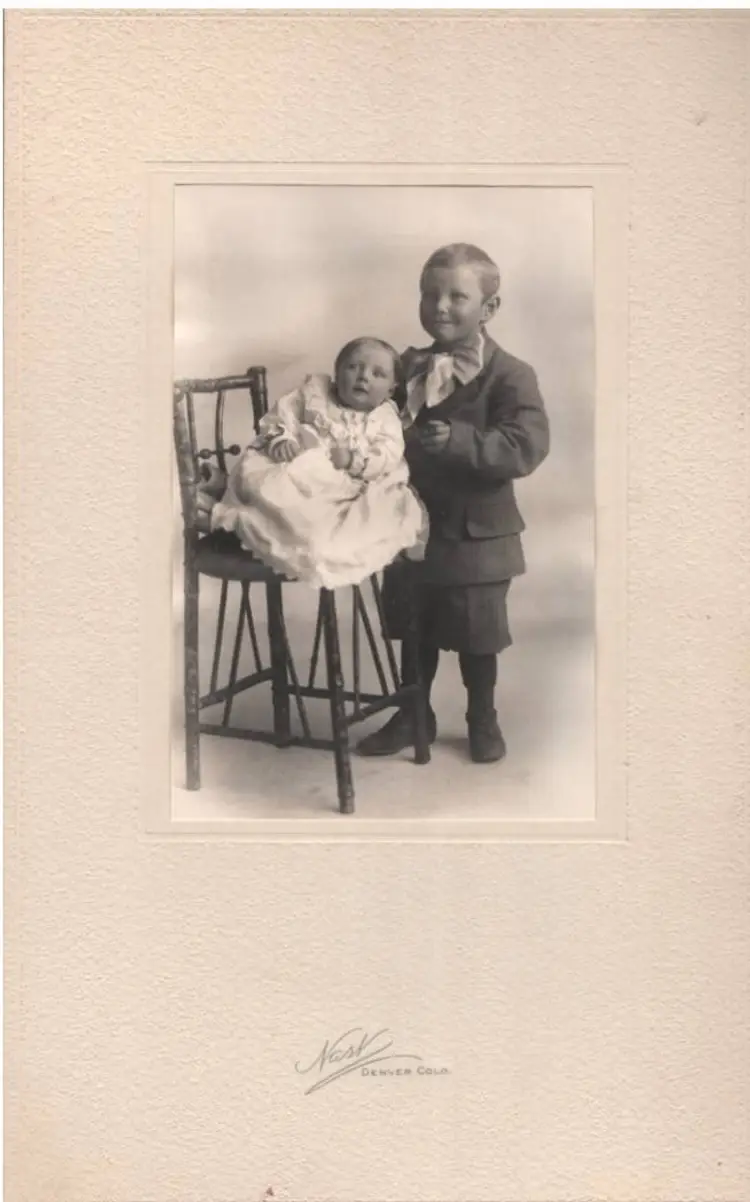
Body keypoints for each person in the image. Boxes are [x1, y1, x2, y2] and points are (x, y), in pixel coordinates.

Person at [357, 243, 550, 764]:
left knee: (476, 634)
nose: (440, 306)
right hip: (410, 523)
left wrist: (462, 441)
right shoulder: (403, 367)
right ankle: (413, 714)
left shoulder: (511, 374)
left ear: (489, 308)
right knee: (413, 625)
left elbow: (528, 445)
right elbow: (366, 417)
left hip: (476, 532)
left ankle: (481, 717)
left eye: (457, 296)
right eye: (429, 294)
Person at [208, 337, 427, 589]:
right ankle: (237, 517)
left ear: (390, 389)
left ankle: (251, 524)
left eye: (377, 374)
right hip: (302, 474)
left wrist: (354, 460)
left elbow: (389, 455)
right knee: (271, 487)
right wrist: (282, 439)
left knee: (343, 525)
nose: (363, 377)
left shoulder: (385, 419)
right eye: (353, 367)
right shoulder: (314, 394)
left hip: (351, 489)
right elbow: (281, 417)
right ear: (337, 372)